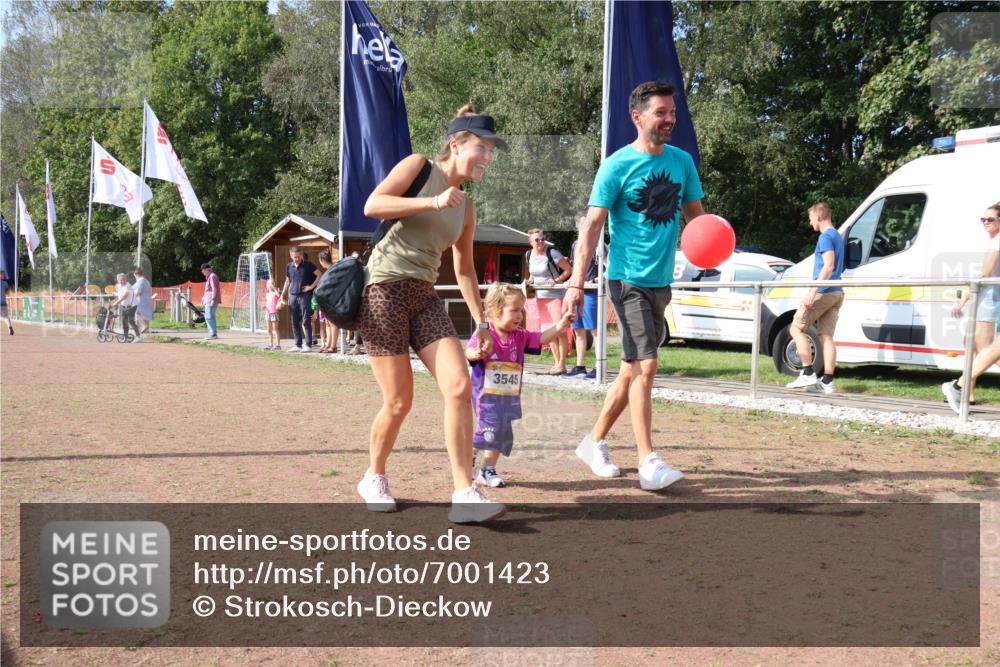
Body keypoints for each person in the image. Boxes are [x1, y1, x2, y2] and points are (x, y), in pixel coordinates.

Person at [355, 104, 507, 523]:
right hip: (383, 289)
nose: (487, 158)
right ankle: (374, 476)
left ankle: (464, 492)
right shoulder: (420, 167)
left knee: (458, 387)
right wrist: (433, 201)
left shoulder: (467, 208)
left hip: (424, 295)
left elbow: (464, 269)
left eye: (492, 151)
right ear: (456, 144)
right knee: (400, 401)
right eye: (482, 147)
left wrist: (481, 322)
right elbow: (373, 205)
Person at [563, 81, 705, 490]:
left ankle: (593, 443)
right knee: (647, 365)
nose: (669, 120)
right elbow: (591, 227)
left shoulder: (682, 163)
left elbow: (697, 220)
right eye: (661, 112)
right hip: (626, 280)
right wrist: (576, 284)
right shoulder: (616, 165)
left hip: (661, 282)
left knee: (629, 371)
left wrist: (714, 249)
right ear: (637, 116)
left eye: (672, 112)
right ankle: (649, 462)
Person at [467, 283, 575, 488]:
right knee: (491, 429)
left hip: (509, 398)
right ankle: (470, 455)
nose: (519, 315)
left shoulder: (520, 335)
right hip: (486, 397)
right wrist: (475, 354)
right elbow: (469, 351)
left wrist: (561, 326)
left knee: (503, 433)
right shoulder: (485, 334)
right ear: (495, 311)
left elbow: (541, 338)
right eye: (514, 310)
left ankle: (487, 470)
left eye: (521, 310)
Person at [943, 202, 1000, 413]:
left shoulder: (996, 242)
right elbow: (985, 275)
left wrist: (964, 298)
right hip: (989, 301)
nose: (985, 222)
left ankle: (962, 389)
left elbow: (985, 273)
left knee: (985, 351)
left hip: (990, 302)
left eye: (990, 219)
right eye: (983, 219)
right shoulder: (995, 242)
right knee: (984, 351)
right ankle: (963, 390)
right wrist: (964, 299)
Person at [785, 202, 845, 394]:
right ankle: (827, 381)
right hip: (837, 291)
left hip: (824, 291)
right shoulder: (837, 236)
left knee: (796, 328)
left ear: (819, 217)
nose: (810, 223)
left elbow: (828, 265)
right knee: (826, 337)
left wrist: (813, 291)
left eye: (811, 218)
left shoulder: (825, 237)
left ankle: (808, 372)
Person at [525, 228, 573, 374]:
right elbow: (533, 274)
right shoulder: (528, 254)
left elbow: (568, 270)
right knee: (549, 331)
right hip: (541, 297)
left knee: (560, 330)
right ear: (531, 242)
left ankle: (562, 364)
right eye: (537, 240)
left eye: (542, 239)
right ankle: (556, 363)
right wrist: (529, 281)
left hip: (556, 296)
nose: (540, 242)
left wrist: (556, 280)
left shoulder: (552, 252)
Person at [565, 208, 602, 379]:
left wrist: (600, 278)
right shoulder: (574, 245)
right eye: (582, 224)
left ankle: (598, 366)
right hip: (577, 291)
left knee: (594, 331)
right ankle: (580, 366)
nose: (585, 227)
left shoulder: (600, 243)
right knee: (578, 330)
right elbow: (575, 267)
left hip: (591, 293)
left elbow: (610, 265)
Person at [278, 246, 320, 352]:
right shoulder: (289, 266)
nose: (297, 259)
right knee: (294, 320)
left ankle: (308, 344)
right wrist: (282, 294)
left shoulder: (309, 265)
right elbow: (287, 281)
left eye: (298, 256)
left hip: (305, 296)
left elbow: (319, 275)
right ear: (291, 256)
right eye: (294, 257)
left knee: (306, 320)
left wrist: (311, 287)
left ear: (301, 255)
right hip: (293, 296)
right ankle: (297, 344)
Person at [316, 250, 341, 353]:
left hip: (333, 301)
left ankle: (333, 346)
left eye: (319, 260)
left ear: (322, 260)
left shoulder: (333, 269)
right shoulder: (329, 269)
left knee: (333, 323)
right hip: (327, 301)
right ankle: (328, 344)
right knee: (328, 323)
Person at [110, 272, 139, 341]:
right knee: (124, 321)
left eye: (124, 279)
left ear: (126, 279)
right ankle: (126, 337)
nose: (123, 281)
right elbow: (120, 293)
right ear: (118, 280)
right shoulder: (117, 286)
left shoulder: (128, 285)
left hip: (132, 305)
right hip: (123, 306)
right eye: (121, 280)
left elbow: (125, 296)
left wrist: (116, 303)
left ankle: (139, 336)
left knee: (131, 320)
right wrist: (114, 293)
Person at [200, 263, 221, 340]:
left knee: (209, 317)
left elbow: (214, 288)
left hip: (211, 300)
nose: (202, 272)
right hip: (208, 300)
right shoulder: (209, 277)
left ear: (206, 269)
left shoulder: (212, 276)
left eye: (202, 270)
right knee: (209, 317)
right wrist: (204, 298)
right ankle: (213, 333)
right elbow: (208, 290)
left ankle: (213, 334)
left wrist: (213, 299)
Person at [132, 267, 154, 337]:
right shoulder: (146, 281)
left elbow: (138, 291)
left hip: (141, 300)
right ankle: (147, 329)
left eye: (134, 276)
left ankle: (144, 326)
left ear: (136, 274)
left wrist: (133, 294)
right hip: (147, 299)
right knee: (146, 315)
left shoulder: (140, 281)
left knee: (138, 313)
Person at [265, 278, 282, 350]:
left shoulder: (275, 293)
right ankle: (270, 344)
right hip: (268, 313)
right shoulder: (267, 294)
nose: (270, 285)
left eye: (272, 284)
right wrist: (265, 307)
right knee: (269, 329)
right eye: (269, 284)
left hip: (274, 313)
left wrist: (275, 288)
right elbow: (267, 303)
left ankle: (278, 345)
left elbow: (279, 296)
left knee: (276, 329)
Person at [1, 270, 13, 335]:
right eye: (2, 275)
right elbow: (7, 293)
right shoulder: (5, 283)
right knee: (5, 317)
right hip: (3, 303)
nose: (3, 276)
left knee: (5, 317)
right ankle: (9, 326)